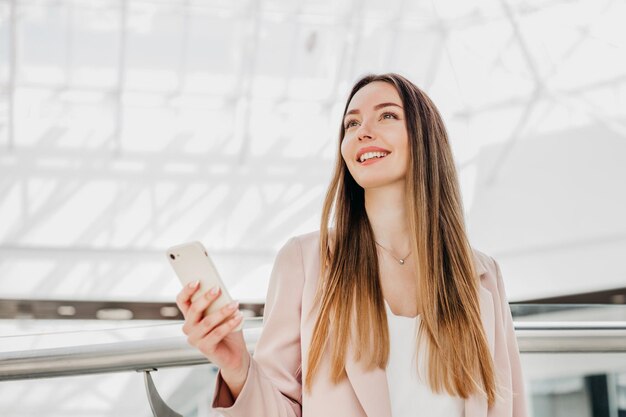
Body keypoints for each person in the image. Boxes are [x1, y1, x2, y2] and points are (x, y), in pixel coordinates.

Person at [175, 73, 529, 417]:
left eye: (387, 115)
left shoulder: (480, 274)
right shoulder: (305, 261)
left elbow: (509, 406)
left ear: (425, 138)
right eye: (351, 124)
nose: (363, 132)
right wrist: (237, 367)